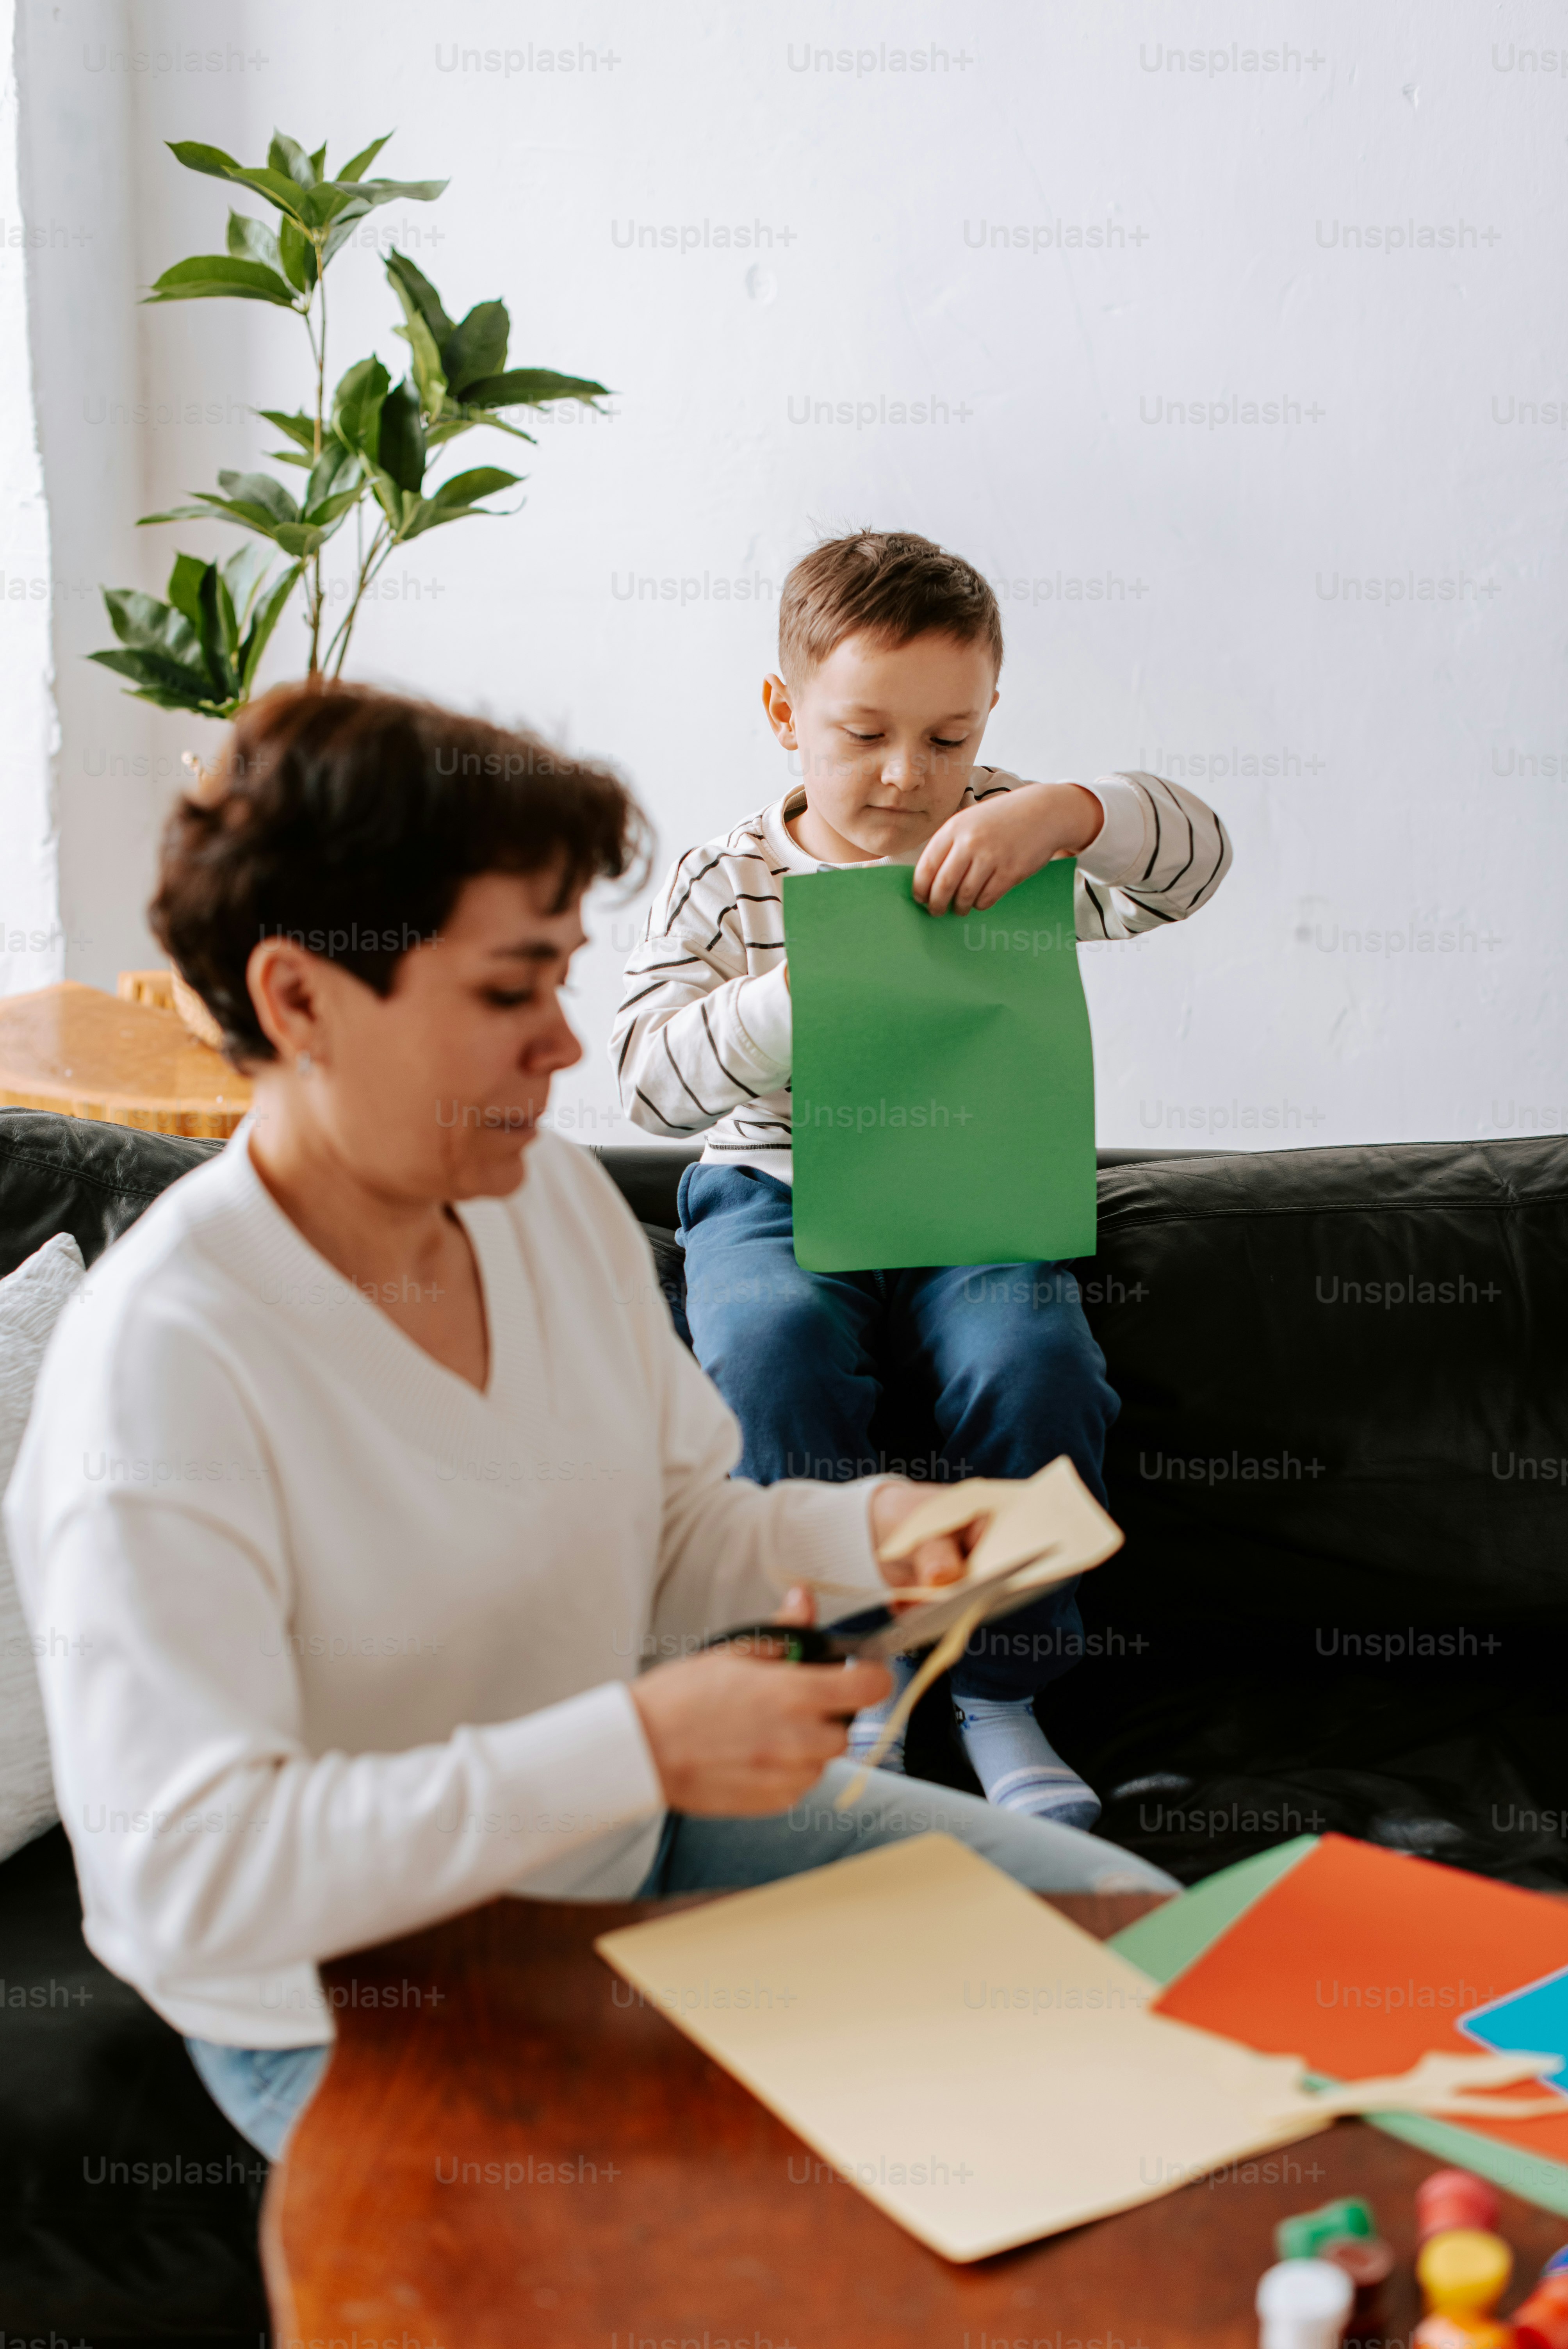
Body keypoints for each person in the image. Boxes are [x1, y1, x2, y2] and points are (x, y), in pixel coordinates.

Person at [7, 680, 1173, 2165]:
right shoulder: (167, 1361)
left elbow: (682, 1522)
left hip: (624, 1851)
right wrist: (635, 1743)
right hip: (358, 2003)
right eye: (508, 992)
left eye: (562, 977)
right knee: (782, 2226)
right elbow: (196, 1879)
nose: (567, 1048)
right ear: (301, 1000)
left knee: (1135, 1958)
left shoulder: (542, 1200)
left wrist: (871, 1533)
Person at [611, 530, 1233, 1826]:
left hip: (973, 1195)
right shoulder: (727, 881)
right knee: (769, 1353)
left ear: (990, 714)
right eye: (864, 735)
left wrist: (1069, 810)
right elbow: (653, 1087)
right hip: (775, 1195)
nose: (909, 777)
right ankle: (848, 1680)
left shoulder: (1006, 837)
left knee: (1035, 1366)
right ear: (785, 713)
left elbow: (1193, 869)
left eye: (950, 739)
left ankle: (1000, 1688)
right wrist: (812, 987)